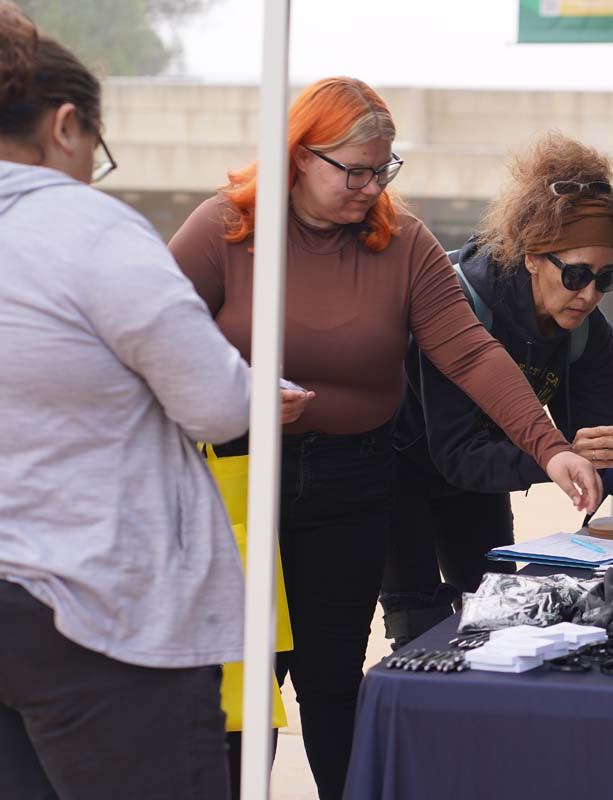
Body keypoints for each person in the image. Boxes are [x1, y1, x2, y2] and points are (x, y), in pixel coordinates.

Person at [167, 80, 601, 799]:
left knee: (334, 679)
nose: (370, 187)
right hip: (238, 483)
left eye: (384, 169)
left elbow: (469, 353)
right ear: (300, 157)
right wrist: (229, 394)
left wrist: (547, 444)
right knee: (241, 686)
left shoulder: (402, 242)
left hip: (353, 484)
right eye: (354, 170)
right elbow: (153, 339)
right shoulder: (225, 228)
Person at [0, 4, 261, 797]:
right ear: (68, 125)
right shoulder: (82, 226)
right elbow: (217, 403)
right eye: (95, 152)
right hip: (99, 608)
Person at [378, 133, 613, 644]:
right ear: (533, 256)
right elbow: (457, 454)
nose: (589, 295)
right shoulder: (458, 302)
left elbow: (585, 437)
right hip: (398, 467)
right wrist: (553, 454)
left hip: (486, 470)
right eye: (577, 275)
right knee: (419, 631)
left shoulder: (588, 330)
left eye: (608, 278)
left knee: (500, 614)